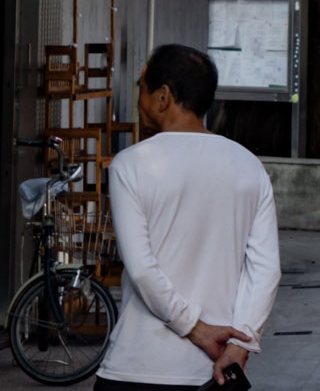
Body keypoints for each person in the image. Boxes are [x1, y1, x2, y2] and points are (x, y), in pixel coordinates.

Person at [97, 45, 279, 390]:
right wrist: (241, 343)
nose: (139, 99)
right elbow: (266, 269)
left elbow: (141, 268)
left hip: (137, 367)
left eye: (142, 88)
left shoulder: (130, 165)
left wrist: (197, 329)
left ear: (163, 97)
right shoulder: (248, 166)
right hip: (215, 372)